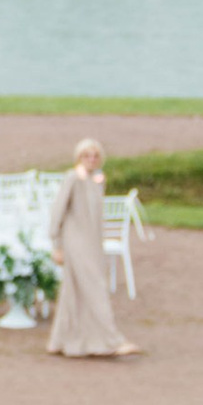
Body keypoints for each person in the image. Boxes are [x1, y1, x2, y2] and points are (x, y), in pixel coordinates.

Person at [49, 137, 138, 358]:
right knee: (95, 288)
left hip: (93, 243)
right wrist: (56, 244)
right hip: (75, 242)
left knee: (74, 291)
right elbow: (57, 211)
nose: (91, 159)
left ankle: (63, 340)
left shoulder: (97, 180)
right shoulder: (72, 178)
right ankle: (112, 340)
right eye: (86, 155)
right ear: (78, 157)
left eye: (95, 155)